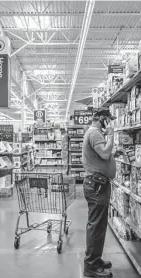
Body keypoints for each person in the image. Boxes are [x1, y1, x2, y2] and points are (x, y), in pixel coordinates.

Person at [82, 107, 116, 278]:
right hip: (96, 185)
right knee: (95, 226)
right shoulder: (95, 133)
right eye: (109, 119)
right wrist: (111, 135)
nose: (110, 123)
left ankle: (96, 260)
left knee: (100, 225)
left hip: (97, 184)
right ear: (102, 119)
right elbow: (104, 153)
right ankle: (90, 267)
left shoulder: (94, 133)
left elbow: (102, 155)